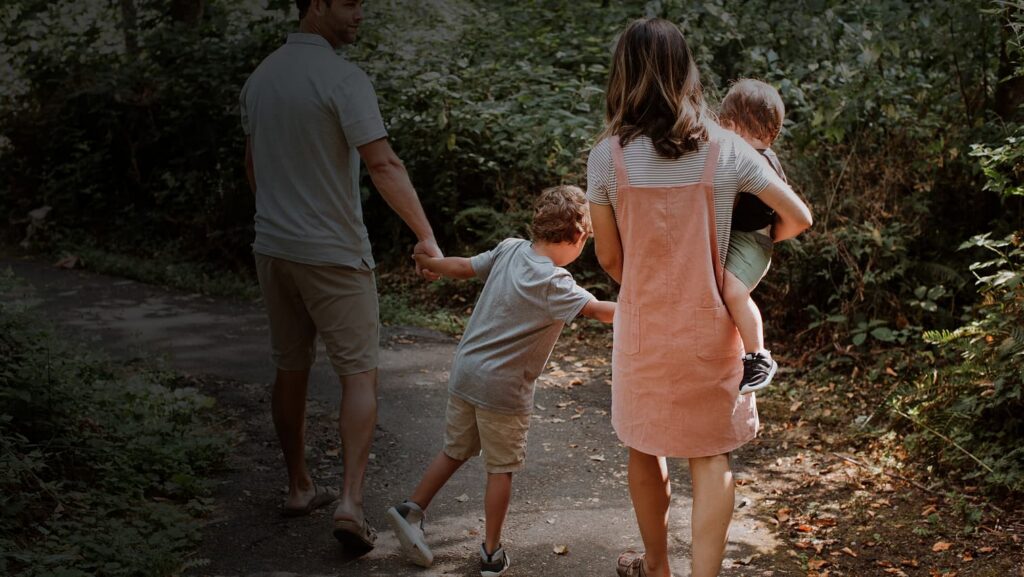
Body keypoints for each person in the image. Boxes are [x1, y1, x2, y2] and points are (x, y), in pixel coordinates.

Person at [586, 19, 812, 577]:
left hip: (643, 327)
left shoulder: (605, 159)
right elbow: (799, 217)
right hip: (711, 327)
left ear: (623, 77)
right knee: (711, 456)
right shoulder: (727, 149)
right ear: (687, 74)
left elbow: (611, 261)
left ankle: (656, 567)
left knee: (645, 446)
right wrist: (747, 258)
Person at [239, 0, 441, 555]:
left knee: (290, 366)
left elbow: (253, 169)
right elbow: (383, 164)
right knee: (359, 375)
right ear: (318, 5)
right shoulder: (343, 78)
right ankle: (350, 502)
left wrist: (284, 218)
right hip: (334, 253)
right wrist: (425, 235)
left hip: (273, 249)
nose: (361, 14)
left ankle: (300, 485)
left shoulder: (261, 78)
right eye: (350, 3)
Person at [386, 185, 615, 577]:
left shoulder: (510, 247)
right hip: (503, 389)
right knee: (500, 469)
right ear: (579, 237)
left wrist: (433, 264)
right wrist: (647, 311)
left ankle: (411, 510)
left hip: (467, 372)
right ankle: (491, 552)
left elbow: (463, 268)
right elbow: (596, 311)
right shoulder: (555, 282)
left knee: (455, 449)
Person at [718, 79, 790, 394]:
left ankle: (758, 355)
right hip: (736, 236)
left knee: (733, 291)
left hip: (753, 241)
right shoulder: (742, 155)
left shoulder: (762, 160)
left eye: (729, 126)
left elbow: (788, 210)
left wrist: (777, 235)